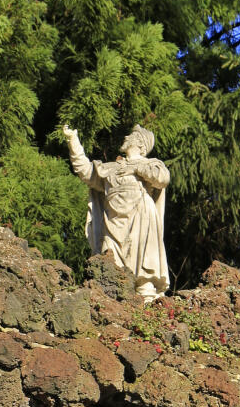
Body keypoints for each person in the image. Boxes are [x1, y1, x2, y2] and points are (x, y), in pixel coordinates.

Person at [63, 124, 170, 299]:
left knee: (142, 265)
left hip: (140, 215)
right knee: (110, 266)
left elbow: (162, 179)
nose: (126, 138)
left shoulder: (152, 164)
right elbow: (85, 171)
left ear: (140, 144)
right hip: (112, 221)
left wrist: (136, 167)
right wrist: (73, 141)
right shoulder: (110, 168)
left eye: (130, 136)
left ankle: (148, 304)